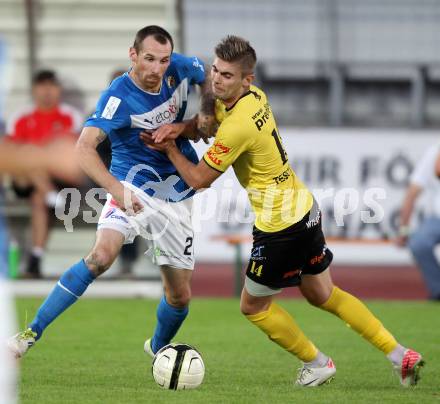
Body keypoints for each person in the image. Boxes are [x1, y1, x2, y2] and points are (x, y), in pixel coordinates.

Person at [141, 35, 424, 387]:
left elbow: (199, 179)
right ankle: (399, 354)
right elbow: (208, 119)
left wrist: (170, 148)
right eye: (214, 70)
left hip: (280, 227)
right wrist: (183, 127)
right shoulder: (254, 98)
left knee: (252, 307)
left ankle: (318, 363)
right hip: (305, 209)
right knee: (323, 294)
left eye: (227, 75)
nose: (215, 79)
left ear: (248, 80)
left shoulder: (238, 126)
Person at [7, 25, 215, 360]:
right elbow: (84, 148)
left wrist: (205, 110)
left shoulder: (179, 66)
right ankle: (30, 334)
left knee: (179, 297)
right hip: (130, 183)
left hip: (176, 192)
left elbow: (207, 77)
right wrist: (117, 190)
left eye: (162, 60)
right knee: (100, 257)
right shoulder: (117, 97)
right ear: (133, 55)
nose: (156, 68)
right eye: (148, 59)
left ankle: (159, 348)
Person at [6, 69, 84, 278]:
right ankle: (51, 195)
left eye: (51, 85)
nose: (47, 91)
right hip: (25, 178)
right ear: (34, 90)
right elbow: (13, 155)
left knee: (39, 200)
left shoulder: (70, 117)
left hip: (58, 179)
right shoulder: (20, 118)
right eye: (42, 86)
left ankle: (35, 260)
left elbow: (69, 154)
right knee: (28, 156)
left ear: (58, 90)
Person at [396, 144, 440, 301]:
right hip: (437, 218)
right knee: (419, 243)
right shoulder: (434, 152)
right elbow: (412, 193)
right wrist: (403, 230)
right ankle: (438, 291)